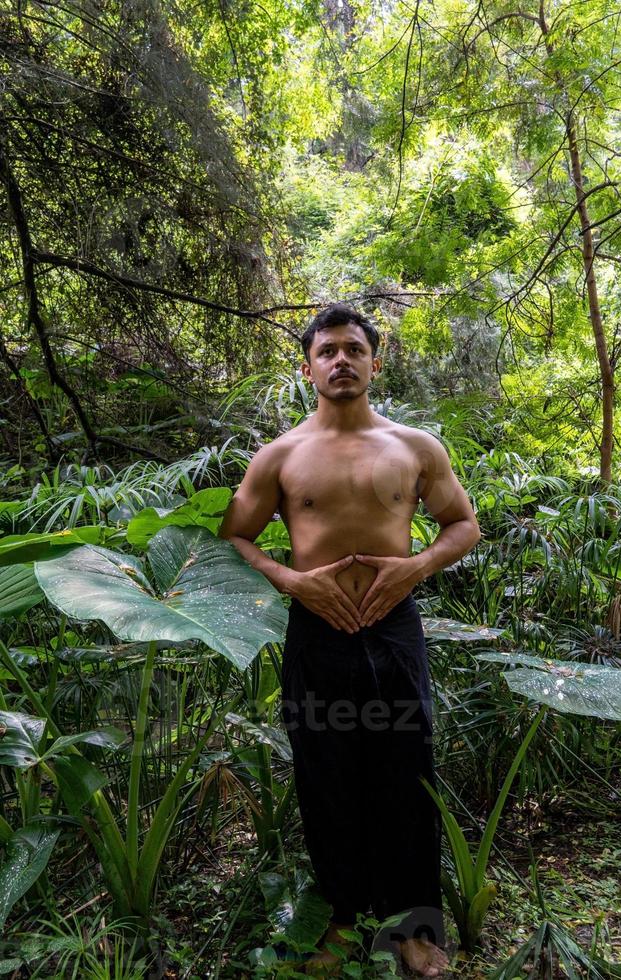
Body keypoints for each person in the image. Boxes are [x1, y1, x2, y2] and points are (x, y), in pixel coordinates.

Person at [219, 302, 481, 977]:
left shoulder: (415, 447)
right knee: (325, 773)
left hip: (394, 628)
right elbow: (236, 535)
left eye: (354, 349)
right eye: (328, 351)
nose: (341, 360)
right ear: (307, 367)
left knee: (406, 770)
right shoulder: (281, 455)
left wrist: (417, 566)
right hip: (318, 629)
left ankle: (417, 930)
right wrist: (290, 580)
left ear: (375, 359)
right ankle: (339, 919)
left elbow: (462, 525)